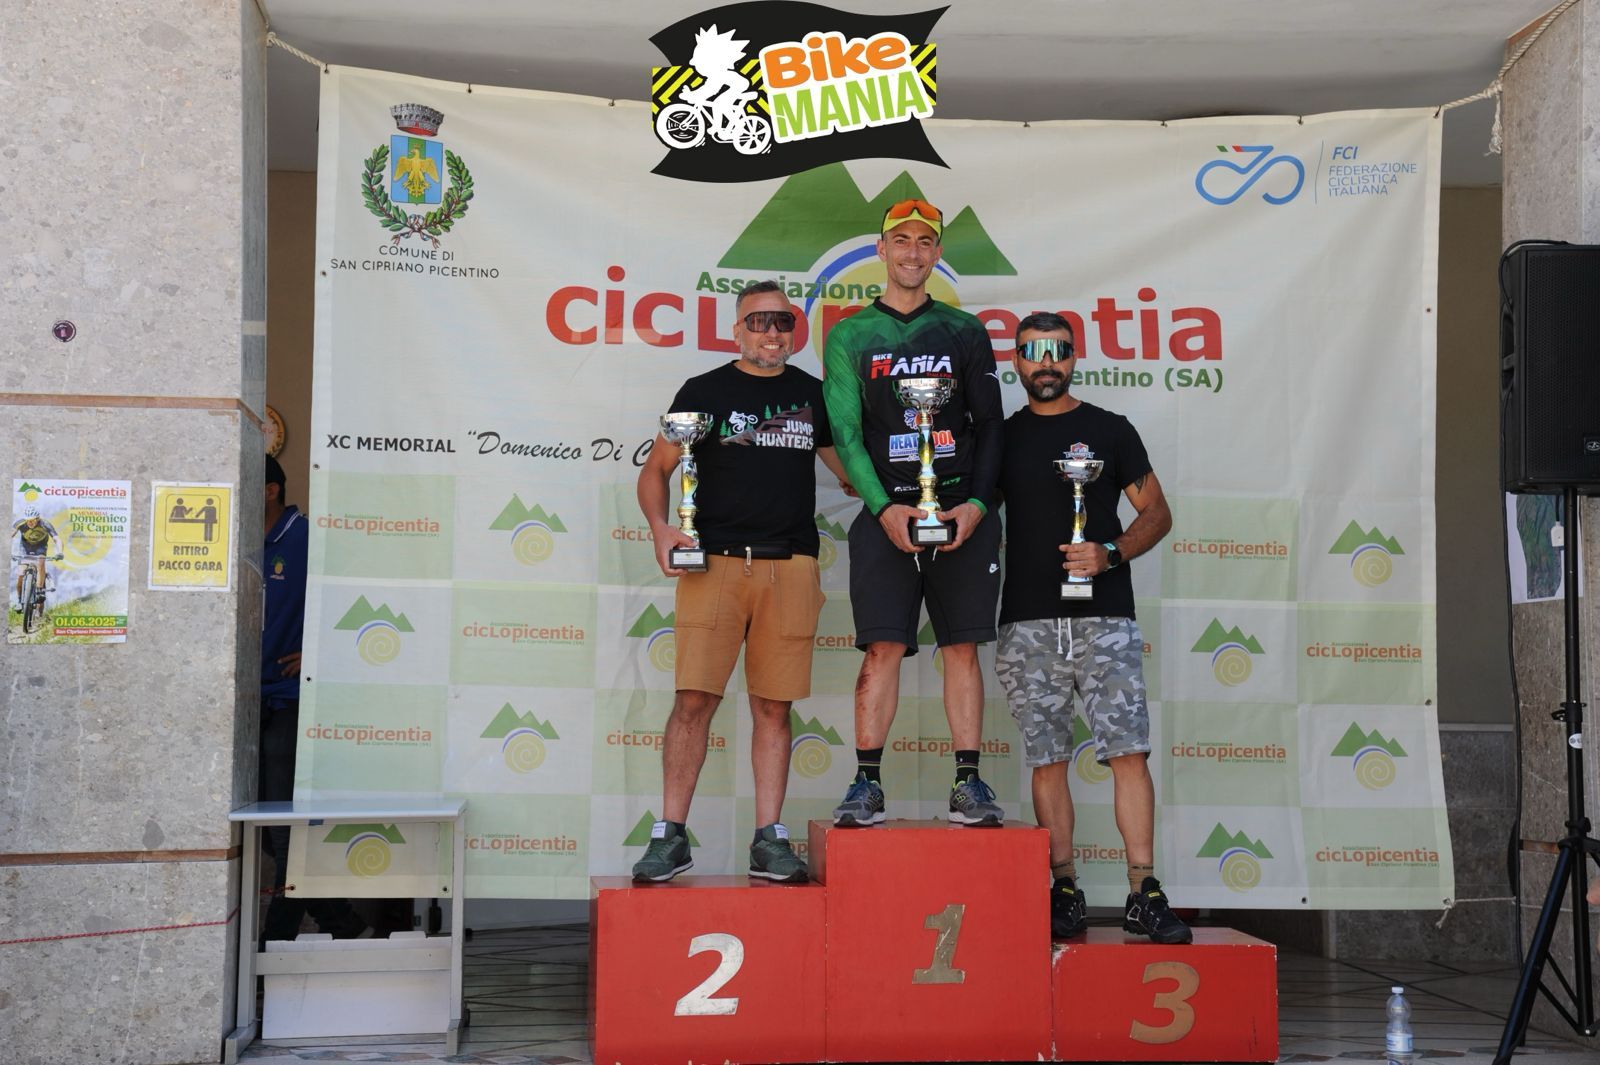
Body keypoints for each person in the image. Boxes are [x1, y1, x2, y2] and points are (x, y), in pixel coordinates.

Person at [631, 280, 851, 883]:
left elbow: (850, 471)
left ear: (794, 331)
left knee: (774, 708)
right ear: (737, 329)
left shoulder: (813, 394)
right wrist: (659, 528)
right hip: (714, 565)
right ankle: (670, 836)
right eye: (758, 322)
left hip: (791, 565)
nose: (771, 333)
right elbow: (656, 470)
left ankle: (768, 838)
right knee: (693, 701)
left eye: (782, 322)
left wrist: (917, 479)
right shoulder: (703, 391)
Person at [994, 312, 1190, 944]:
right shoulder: (1002, 437)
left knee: (1127, 754)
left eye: (1058, 350)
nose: (1045, 362)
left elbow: (1156, 512)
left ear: (1074, 357)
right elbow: (970, 512)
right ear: (1016, 362)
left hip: (1105, 619)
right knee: (1048, 760)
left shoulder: (1110, 429)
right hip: (1027, 622)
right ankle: (1064, 889)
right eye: (1033, 351)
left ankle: (1143, 891)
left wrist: (1111, 552)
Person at [822, 197, 1006, 828]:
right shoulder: (849, 335)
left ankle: (968, 783)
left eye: (925, 241)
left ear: (937, 254)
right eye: (901, 240)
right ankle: (867, 785)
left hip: (960, 515)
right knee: (881, 648)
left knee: (962, 649)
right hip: (887, 516)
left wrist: (976, 506)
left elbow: (992, 426)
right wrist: (883, 509)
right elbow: (846, 434)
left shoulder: (965, 331)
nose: (912, 251)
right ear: (882, 250)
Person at [259, 454, 366, 939]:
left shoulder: (308, 535)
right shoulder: (240, 539)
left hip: (293, 700)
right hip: (247, 702)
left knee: (286, 832)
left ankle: (273, 947)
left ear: (271, 490)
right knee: (266, 830)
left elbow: (359, 599)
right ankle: (343, 922)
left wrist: (320, 650)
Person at [11, 506, 61, 614]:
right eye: (28, 520)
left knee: (41, 562)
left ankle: (39, 591)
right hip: (25, 548)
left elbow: (57, 539)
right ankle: (19, 601)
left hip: (40, 548)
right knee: (20, 574)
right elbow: (10, 534)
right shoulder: (20, 523)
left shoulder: (45, 524)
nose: (30, 523)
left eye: (32, 520)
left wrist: (60, 552)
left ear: (37, 518)